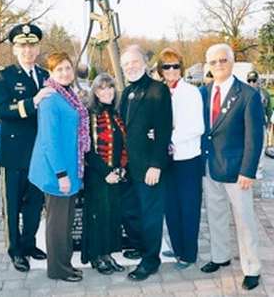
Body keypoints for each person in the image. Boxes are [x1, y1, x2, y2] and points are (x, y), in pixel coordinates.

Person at [0, 23, 54, 272]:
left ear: (38, 48)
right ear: (15, 49)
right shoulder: (2, 76)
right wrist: (32, 102)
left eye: (32, 45)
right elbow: (1, 109)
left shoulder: (46, 75)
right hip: (13, 153)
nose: (28, 50)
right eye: (22, 46)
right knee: (12, 205)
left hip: (38, 153)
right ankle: (15, 250)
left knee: (34, 204)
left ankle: (29, 243)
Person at [200, 43, 264, 291]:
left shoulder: (248, 95)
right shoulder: (204, 92)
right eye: (213, 62)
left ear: (232, 61)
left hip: (237, 171)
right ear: (208, 65)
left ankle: (251, 268)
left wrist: (248, 171)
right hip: (210, 166)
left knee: (244, 220)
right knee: (215, 215)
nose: (218, 65)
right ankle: (220, 256)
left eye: (223, 60)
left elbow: (254, 137)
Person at [29, 52, 90, 283]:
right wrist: (61, 174)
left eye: (67, 68)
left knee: (65, 222)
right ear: (52, 73)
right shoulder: (50, 99)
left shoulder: (68, 95)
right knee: (57, 223)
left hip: (71, 167)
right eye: (59, 69)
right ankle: (57, 269)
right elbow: (49, 141)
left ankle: (65, 264)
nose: (65, 73)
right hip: (57, 171)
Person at [119, 45, 173, 281]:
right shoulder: (126, 92)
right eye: (126, 64)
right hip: (130, 166)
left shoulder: (157, 90)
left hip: (149, 166)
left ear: (144, 63)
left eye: (134, 62)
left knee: (151, 214)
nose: (130, 67)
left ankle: (151, 260)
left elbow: (163, 131)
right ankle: (142, 246)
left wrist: (156, 165)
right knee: (131, 210)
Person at [156, 48, 204, 269]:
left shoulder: (191, 92)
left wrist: (167, 138)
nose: (172, 70)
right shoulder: (161, 92)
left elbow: (197, 127)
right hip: (168, 160)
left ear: (181, 68)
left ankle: (189, 253)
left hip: (187, 159)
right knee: (170, 206)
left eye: (175, 66)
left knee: (189, 207)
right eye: (167, 66)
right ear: (161, 70)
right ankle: (177, 246)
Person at [81, 73, 127, 275]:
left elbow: (124, 145)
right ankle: (96, 256)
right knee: (97, 216)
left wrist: (121, 169)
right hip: (97, 175)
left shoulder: (117, 113)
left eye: (110, 88)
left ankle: (108, 254)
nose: (106, 92)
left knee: (112, 216)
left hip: (116, 175)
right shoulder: (89, 114)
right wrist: (105, 172)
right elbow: (86, 149)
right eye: (102, 88)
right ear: (95, 92)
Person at [247, 70, 272, 179]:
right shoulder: (243, 93)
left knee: (261, 148)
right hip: (246, 126)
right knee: (247, 148)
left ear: (258, 81)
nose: (252, 83)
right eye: (249, 80)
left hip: (260, 124)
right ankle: (248, 169)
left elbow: (269, 109)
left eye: (254, 80)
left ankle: (259, 170)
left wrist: (269, 122)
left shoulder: (264, 93)